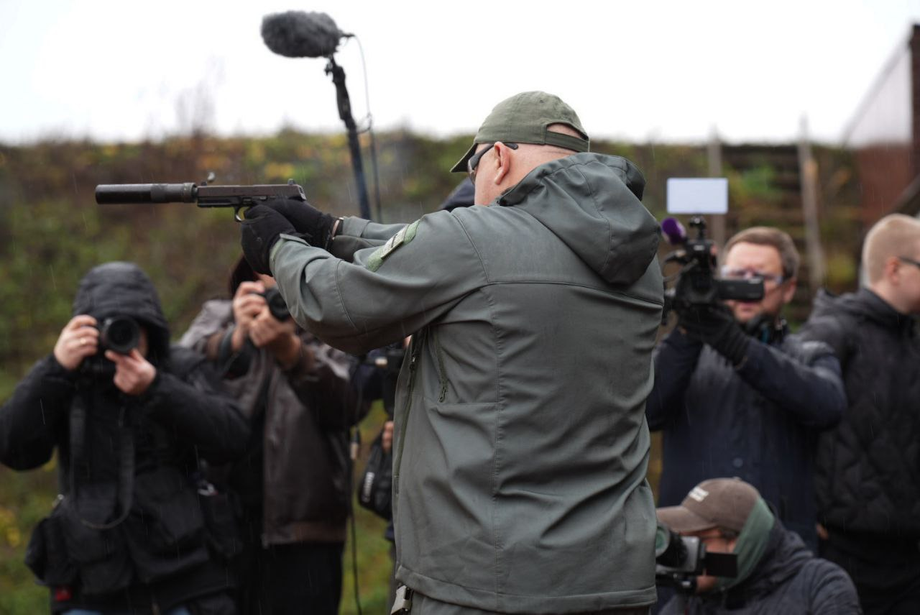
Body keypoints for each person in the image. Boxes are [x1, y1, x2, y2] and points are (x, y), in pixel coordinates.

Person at [238, 91, 664, 614]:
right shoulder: (641, 264)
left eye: (476, 165)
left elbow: (340, 306)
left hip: (489, 584)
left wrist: (281, 248)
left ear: (500, 158)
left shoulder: (474, 237)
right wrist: (330, 230)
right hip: (612, 577)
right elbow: (447, 251)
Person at [0, 262, 249, 615]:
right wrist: (53, 369)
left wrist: (156, 389)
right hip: (93, 583)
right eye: (108, 329)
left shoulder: (177, 368)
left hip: (186, 580)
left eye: (131, 328)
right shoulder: (66, 378)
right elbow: (14, 449)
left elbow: (233, 437)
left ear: (152, 329)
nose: (120, 339)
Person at [179, 256, 367, 615]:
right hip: (220, 527)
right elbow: (175, 382)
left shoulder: (333, 325)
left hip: (305, 532)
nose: (282, 277)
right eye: (272, 268)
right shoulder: (219, 316)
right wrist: (232, 339)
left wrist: (293, 353)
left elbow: (349, 404)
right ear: (248, 277)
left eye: (292, 264)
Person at [646, 227, 846, 548]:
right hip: (693, 545)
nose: (745, 286)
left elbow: (827, 405)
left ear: (789, 288)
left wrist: (738, 347)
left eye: (760, 278)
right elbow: (646, 411)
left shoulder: (810, 354)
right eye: (736, 275)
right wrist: (688, 332)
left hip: (780, 550)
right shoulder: (689, 353)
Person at [798, 213, 920, 615]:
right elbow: (793, 414)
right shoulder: (835, 331)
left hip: (909, 551)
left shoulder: (912, 335)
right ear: (894, 269)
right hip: (846, 549)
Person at [655, 478, 861, 614]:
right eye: (681, 539)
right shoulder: (689, 602)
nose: (683, 553)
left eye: (696, 541)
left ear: (741, 543)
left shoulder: (821, 586)